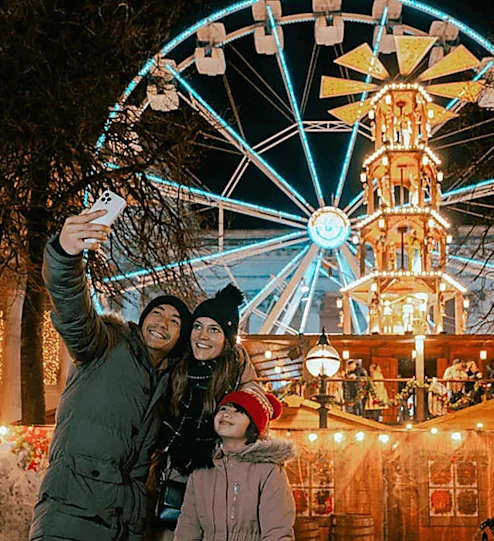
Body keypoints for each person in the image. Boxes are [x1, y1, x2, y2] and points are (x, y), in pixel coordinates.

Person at [31, 209, 192, 541]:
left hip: (123, 525)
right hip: (70, 516)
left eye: (174, 321)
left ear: (180, 338)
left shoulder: (167, 386)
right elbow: (73, 312)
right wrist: (65, 255)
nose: (162, 323)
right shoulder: (104, 344)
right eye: (157, 313)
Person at [154, 284, 261, 538]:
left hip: (220, 488)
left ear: (227, 339)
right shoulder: (173, 370)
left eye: (214, 329)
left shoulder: (241, 382)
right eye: (198, 326)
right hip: (174, 485)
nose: (202, 336)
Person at [173, 388, 296, 541]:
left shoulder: (268, 471)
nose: (226, 414)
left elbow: (277, 533)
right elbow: (188, 527)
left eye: (238, 411)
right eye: (223, 408)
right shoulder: (201, 469)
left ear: (253, 424)